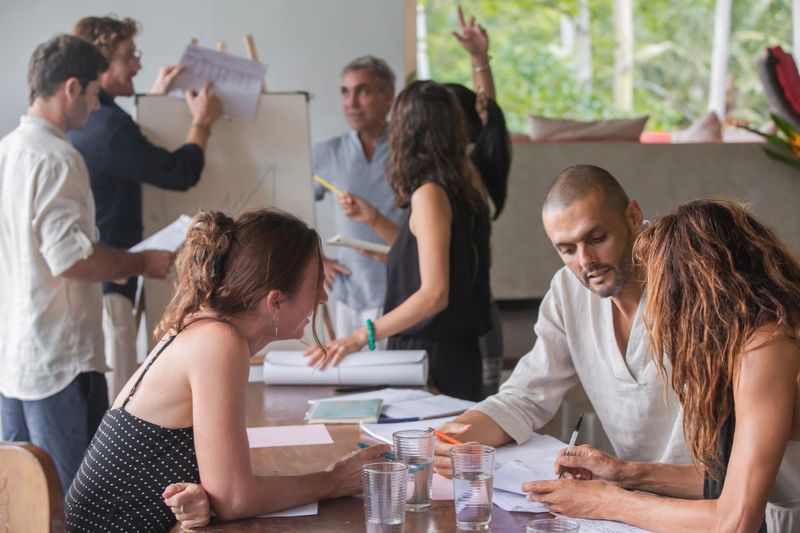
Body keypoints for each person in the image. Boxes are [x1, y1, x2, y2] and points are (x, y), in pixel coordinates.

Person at [64, 208, 390, 531]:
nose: (322, 298)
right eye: (315, 284)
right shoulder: (219, 342)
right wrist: (334, 480)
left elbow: (222, 493)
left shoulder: (207, 327)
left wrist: (207, 495)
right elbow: (235, 499)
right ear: (275, 302)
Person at [524, 199, 800, 533]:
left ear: (699, 290)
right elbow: (729, 477)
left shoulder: (767, 344)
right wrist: (623, 473)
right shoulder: (749, 338)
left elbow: (735, 520)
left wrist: (606, 502)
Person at [432, 165, 690, 477]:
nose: (585, 261)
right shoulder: (568, 290)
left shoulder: (690, 281)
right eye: (566, 250)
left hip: (713, 500)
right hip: (634, 495)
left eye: (597, 237)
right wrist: (456, 437)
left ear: (633, 217)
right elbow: (527, 394)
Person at [0, 35, 175, 495]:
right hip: (62, 359)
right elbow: (71, 258)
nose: (97, 106)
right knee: (75, 501)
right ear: (71, 88)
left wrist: (111, 264)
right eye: (96, 93)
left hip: (16, 360)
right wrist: (139, 263)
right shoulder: (58, 157)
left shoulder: (8, 150)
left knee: (24, 503)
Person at [305, 81, 492, 402]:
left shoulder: (430, 194)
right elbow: (435, 250)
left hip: (432, 354)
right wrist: (375, 219)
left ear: (409, 132)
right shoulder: (463, 181)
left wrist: (360, 336)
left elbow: (435, 295)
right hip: (448, 349)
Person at [68, 16, 223, 399]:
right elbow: (179, 171)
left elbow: (129, 155)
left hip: (107, 276)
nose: (137, 64)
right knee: (118, 391)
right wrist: (202, 121)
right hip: (112, 280)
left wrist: (153, 102)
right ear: (102, 66)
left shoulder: (96, 121)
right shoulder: (108, 127)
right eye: (129, 56)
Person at [312, 54, 403, 346]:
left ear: (387, 96)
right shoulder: (328, 154)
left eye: (362, 91)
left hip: (402, 288)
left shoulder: (408, 152)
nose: (351, 103)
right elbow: (289, 204)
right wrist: (313, 259)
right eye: (345, 92)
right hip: (348, 291)